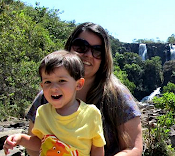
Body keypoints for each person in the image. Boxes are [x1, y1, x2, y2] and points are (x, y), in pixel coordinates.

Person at [27, 22, 143, 156]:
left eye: (97, 50)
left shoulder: (117, 95)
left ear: (104, 58)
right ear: (69, 48)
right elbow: (33, 148)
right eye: (81, 46)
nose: (88, 54)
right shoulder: (46, 96)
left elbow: (134, 148)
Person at [4, 50, 106, 156]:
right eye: (48, 82)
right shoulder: (43, 112)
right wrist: (21, 139)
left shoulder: (91, 114)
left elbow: (97, 147)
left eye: (61, 81)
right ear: (42, 86)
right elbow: (41, 144)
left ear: (79, 84)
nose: (53, 88)